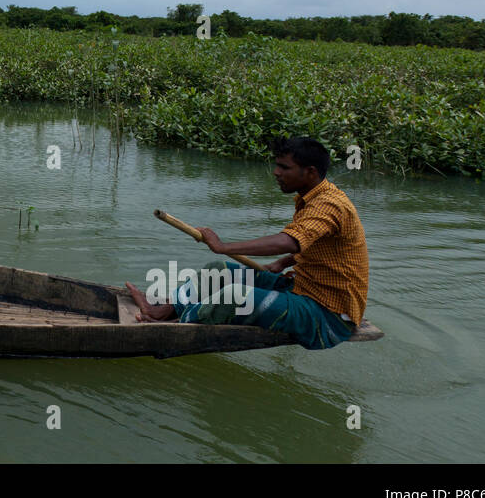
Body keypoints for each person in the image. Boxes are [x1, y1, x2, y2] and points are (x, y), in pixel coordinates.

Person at [124, 136, 368, 350]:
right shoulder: (314, 198)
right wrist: (282, 263)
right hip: (301, 287)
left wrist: (223, 246)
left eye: (285, 167)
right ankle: (163, 311)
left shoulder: (330, 204)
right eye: (277, 165)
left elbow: (291, 241)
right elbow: (314, 243)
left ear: (311, 172)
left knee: (234, 296)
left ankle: (176, 326)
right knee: (216, 271)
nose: (276, 172)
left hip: (328, 316)